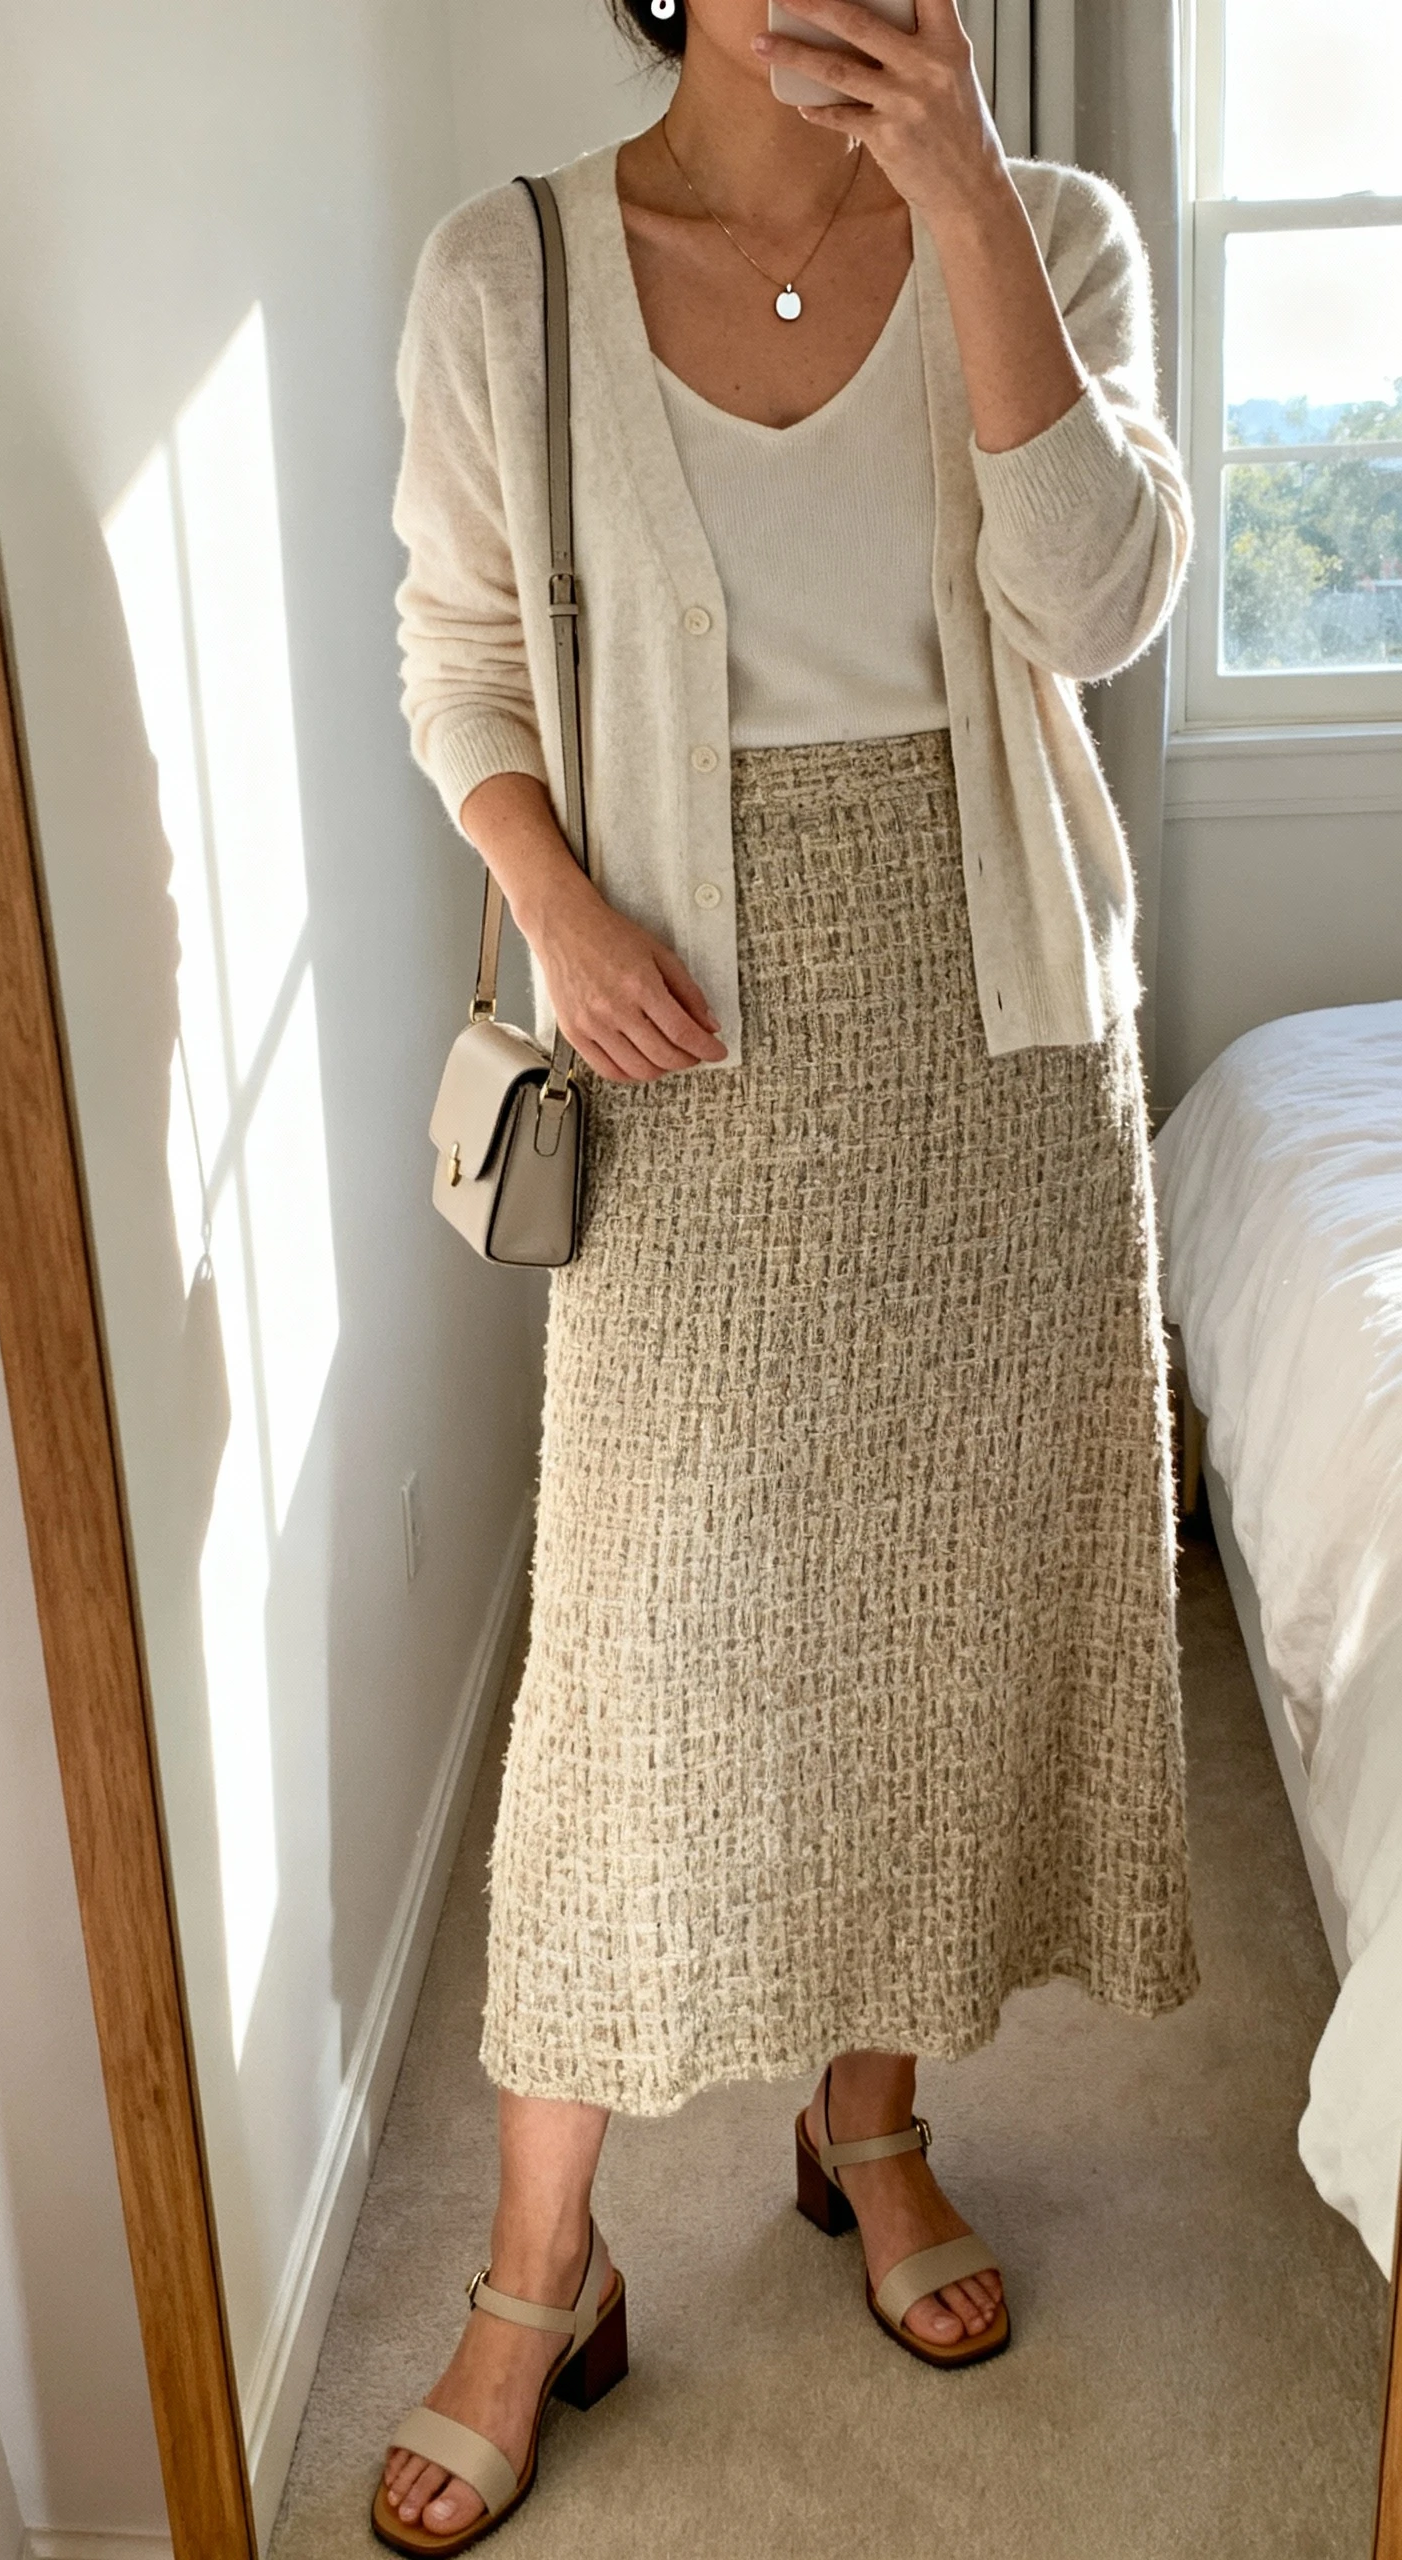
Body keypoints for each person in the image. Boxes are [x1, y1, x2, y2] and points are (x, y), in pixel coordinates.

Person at [377, 0, 1197, 2545]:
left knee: (929, 1628)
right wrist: (558, 904)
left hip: (996, 1041)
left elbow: (1105, 601)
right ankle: (537, 2268)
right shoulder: (505, 272)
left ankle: (876, 2125)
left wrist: (963, 195)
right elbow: (463, 662)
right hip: (681, 1026)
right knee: (638, 1668)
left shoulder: (1051, 234)